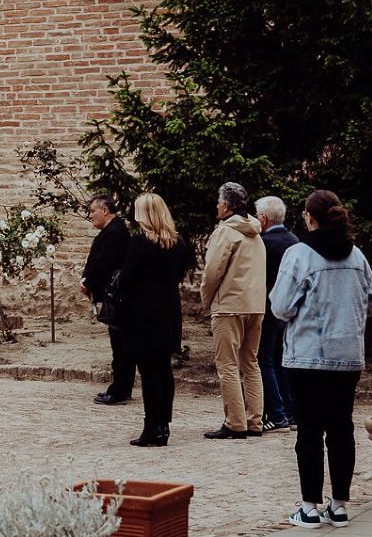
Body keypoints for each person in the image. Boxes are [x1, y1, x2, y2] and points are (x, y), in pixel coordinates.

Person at [271, 189, 372, 529]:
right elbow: (371, 301)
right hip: (347, 355)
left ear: (309, 217)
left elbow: (281, 306)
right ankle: (340, 504)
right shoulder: (356, 256)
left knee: (310, 431)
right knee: (342, 428)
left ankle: (309, 506)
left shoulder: (299, 255)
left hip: (307, 356)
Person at [111, 192, 193, 448]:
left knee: (148, 372)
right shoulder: (178, 243)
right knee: (164, 370)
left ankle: (151, 427)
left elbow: (128, 278)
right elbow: (179, 274)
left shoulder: (140, 243)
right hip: (168, 310)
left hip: (142, 312)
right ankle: (164, 425)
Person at [200, 182, 266, 439]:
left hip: (229, 306)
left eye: (219, 202)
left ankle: (235, 422)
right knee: (250, 363)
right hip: (255, 305)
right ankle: (255, 421)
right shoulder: (256, 235)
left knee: (227, 364)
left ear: (226, 206)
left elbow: (213, 272)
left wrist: (207, 301)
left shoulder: (225, 233)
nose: (217, 206)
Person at [81, 194, 133, 406]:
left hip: (118, 297)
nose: (90, 215)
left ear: (105, 210)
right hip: (113, 295)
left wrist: (88, 283)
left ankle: (120, 389)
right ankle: (121, 387)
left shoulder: (116, 233)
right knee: (118, 343)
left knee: (120, 345)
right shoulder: (110, 231)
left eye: (93, 211)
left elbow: (104, 263)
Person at [255, 197, 299, 433]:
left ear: (263, 218)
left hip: (267, 307)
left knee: (264, 359)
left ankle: (277, 414)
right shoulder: (294, 241)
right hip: (288, 309)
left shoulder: (263, 243)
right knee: (281, 360)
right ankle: (290, 413)